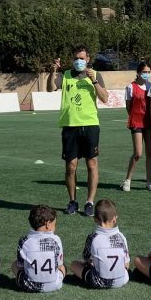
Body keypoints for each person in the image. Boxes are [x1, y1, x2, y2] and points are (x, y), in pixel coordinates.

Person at [47, 45, 108, 217]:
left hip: (90, 125)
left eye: (82, 58)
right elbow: (50, 88)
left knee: (92, 164)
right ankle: (72, 201)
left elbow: (104, 98)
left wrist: (94, 81)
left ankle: (90, 202)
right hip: (70, 126)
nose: (79, 61)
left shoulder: (95, 75)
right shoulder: (65, 75)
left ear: (88, 59)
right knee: (71, 166)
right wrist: (53, 71)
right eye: (76, 58)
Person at [70, 199, 130, 289]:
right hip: (122, 280)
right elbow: (126, 264)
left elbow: (87, 259)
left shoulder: (92, 237)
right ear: (114, 219)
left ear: (95, 219)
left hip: (99, 282)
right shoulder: (121, 236)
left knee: (74, 264)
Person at [121, 61, 151, 192]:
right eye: (144, 72)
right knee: (138, 153)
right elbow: (128, 106)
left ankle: (149, 181)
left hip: (149, 122)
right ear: (138, 72)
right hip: (136, 122)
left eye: (148, 72)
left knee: (150, 153)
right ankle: (127, 180)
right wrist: (134, 117)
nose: (146, 74)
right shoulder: (130, 87)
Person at [12, 205, 65, 293]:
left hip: (28, 286)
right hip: (54, 285)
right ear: (48, 224)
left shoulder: (24, 240)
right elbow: (59, 265)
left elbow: (20, 266)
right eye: (54, 224)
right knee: (63, 267)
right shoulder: (56, 240)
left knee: (14, 264)